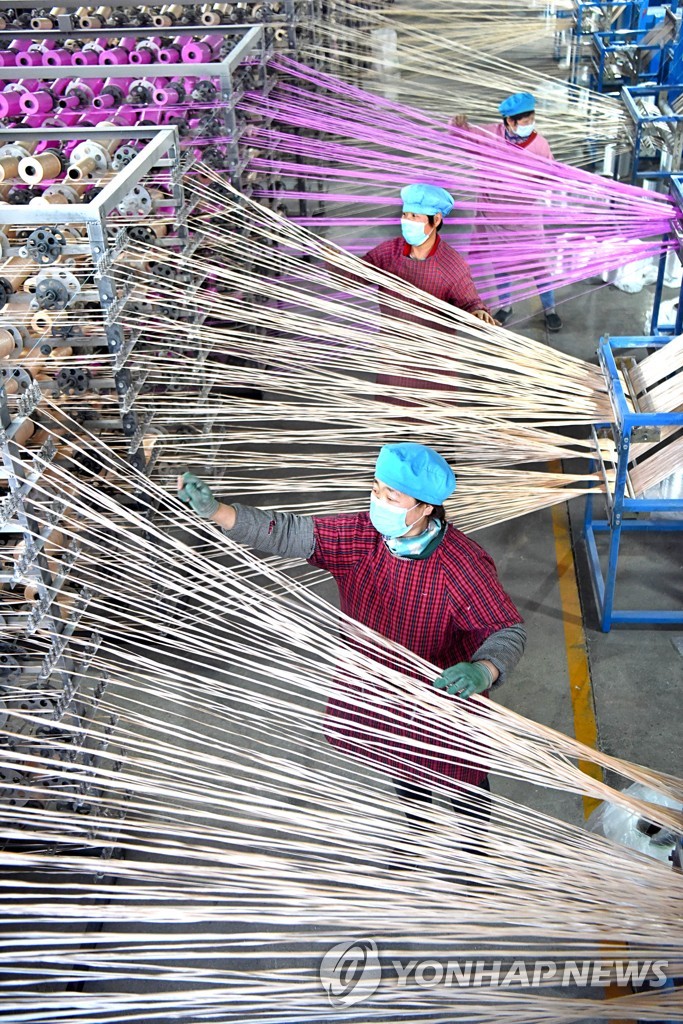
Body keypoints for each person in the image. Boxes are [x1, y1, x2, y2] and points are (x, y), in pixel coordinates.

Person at [178, 442, 526, 854]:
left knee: (463, 778)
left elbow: (506, 630)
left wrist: (483, 670)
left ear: (425, 508)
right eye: (376, 489)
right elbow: (288, 532)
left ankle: (474, 851)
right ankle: (416, 837)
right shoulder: (361, 538)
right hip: (383, 688)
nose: (378, 501)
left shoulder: (462, 566)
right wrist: (220, 513)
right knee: (406, 766)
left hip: (446, 696)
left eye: (391, 496)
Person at [452, 92, 563, 333]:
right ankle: (506, 305)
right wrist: (459, 126)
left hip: (525, 218)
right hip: (497, 216)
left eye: (531, 119)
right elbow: (464, 138)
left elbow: (552, 175)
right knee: (502, 262)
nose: (529, 125)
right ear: (509, 122)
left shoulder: (540, 145)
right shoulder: (491, 136)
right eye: (524, 121)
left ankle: (550, 309)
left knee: (539, 265)